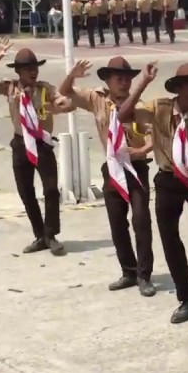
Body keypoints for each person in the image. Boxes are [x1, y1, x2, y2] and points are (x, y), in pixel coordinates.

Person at [119, 61, 188, 324]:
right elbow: (125, 116)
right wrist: (143, 83)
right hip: (168, 179)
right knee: (170, 239)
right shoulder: (160, 109)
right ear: (179, 89)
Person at [57, 57, 155, 296]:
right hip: (112, 168)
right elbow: (64, 91)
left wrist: (143, 150)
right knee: (117, 223)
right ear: (108, 81)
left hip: (136, 168)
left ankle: (144, 275)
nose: (124, 83)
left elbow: (157, 134)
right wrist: (73, 74)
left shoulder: (139, 106)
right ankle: (128, 271)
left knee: (141, 221)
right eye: (119, 78)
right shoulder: (97, 99)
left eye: (128, 79)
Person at [0, 38, 71, 256]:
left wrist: (62, 105)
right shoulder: (10, 88)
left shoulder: (45, 89)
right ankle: (39, 235)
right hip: (21, 144)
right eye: (27, 68)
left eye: (35, 68)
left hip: (42, 143)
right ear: (18, 71)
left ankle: (51, 234)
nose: (33, 72)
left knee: (50, 190)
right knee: (26, 191)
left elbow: (62, 101)